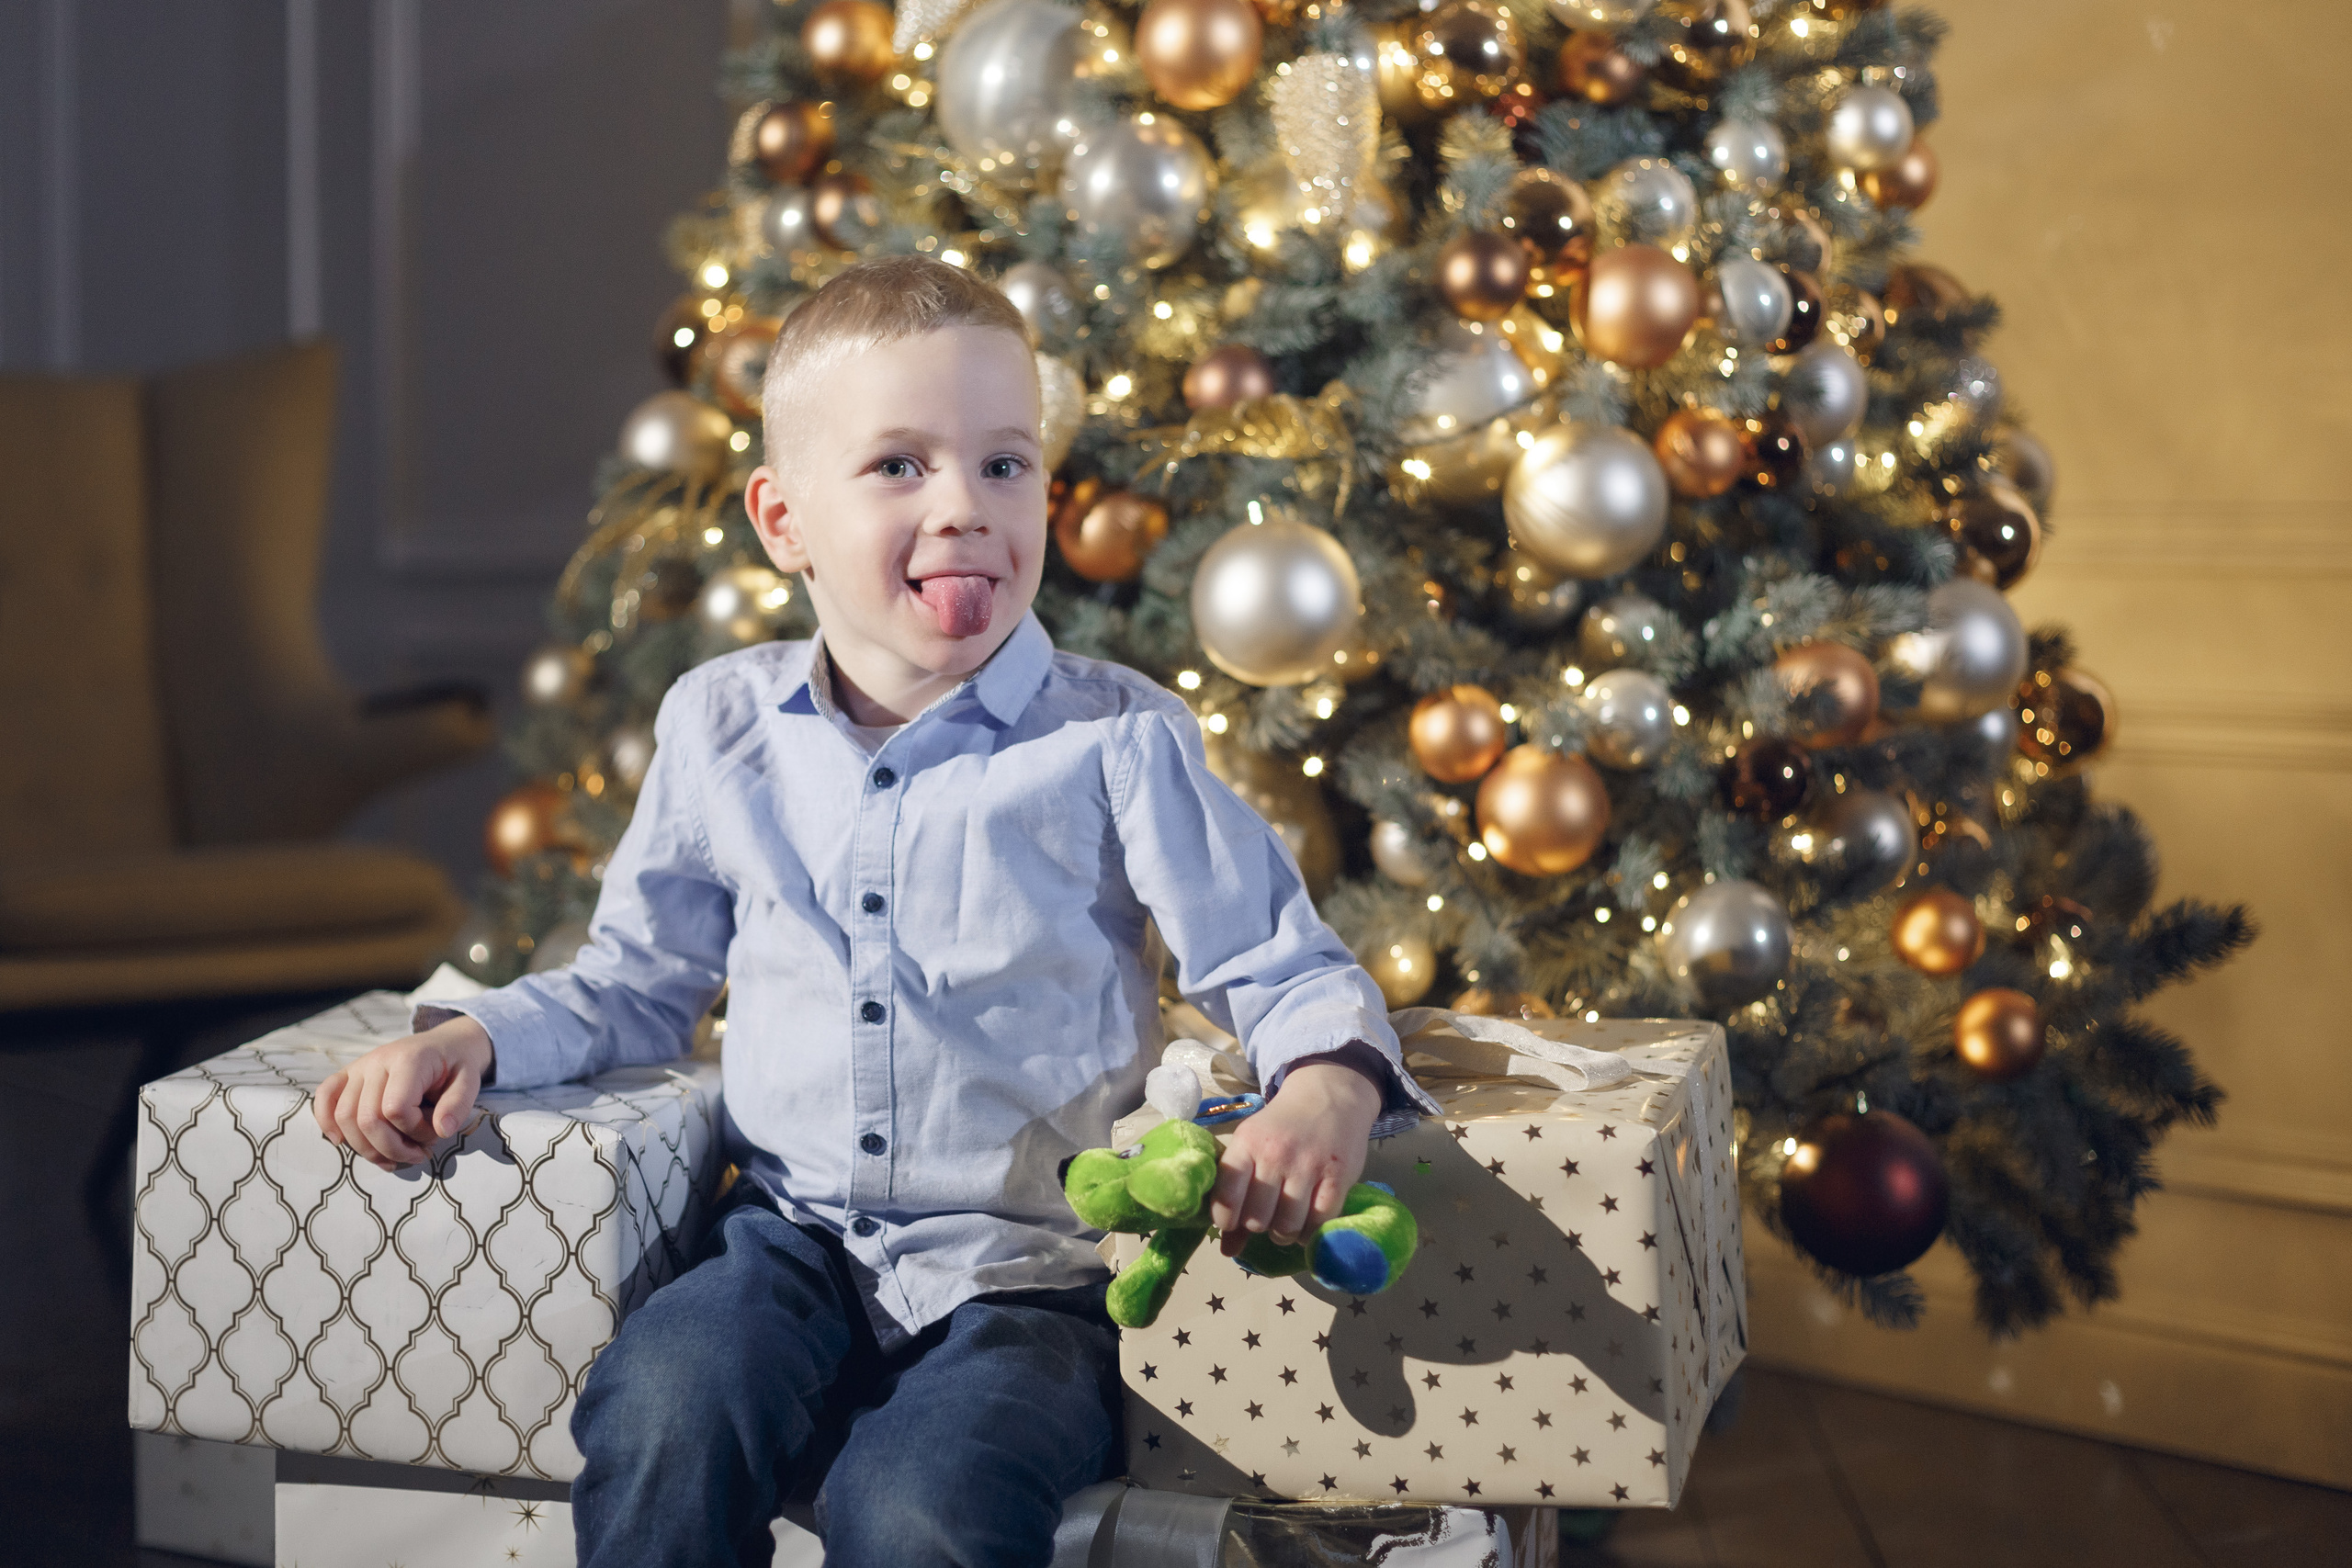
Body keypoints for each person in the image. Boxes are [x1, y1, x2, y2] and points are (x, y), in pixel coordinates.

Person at [310, 254, 1438, 1568]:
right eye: (901, 465)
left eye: (1004, 465)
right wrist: (476, 1036)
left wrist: (1325, 1090)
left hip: (1029, 1279)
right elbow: (635, 981)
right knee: (666, 1404)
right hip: (786, 1237)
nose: (964, 508)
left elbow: (1281, 962)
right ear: (783, 520)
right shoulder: (722, 726)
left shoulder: (1116, 741)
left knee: (920, 1508)